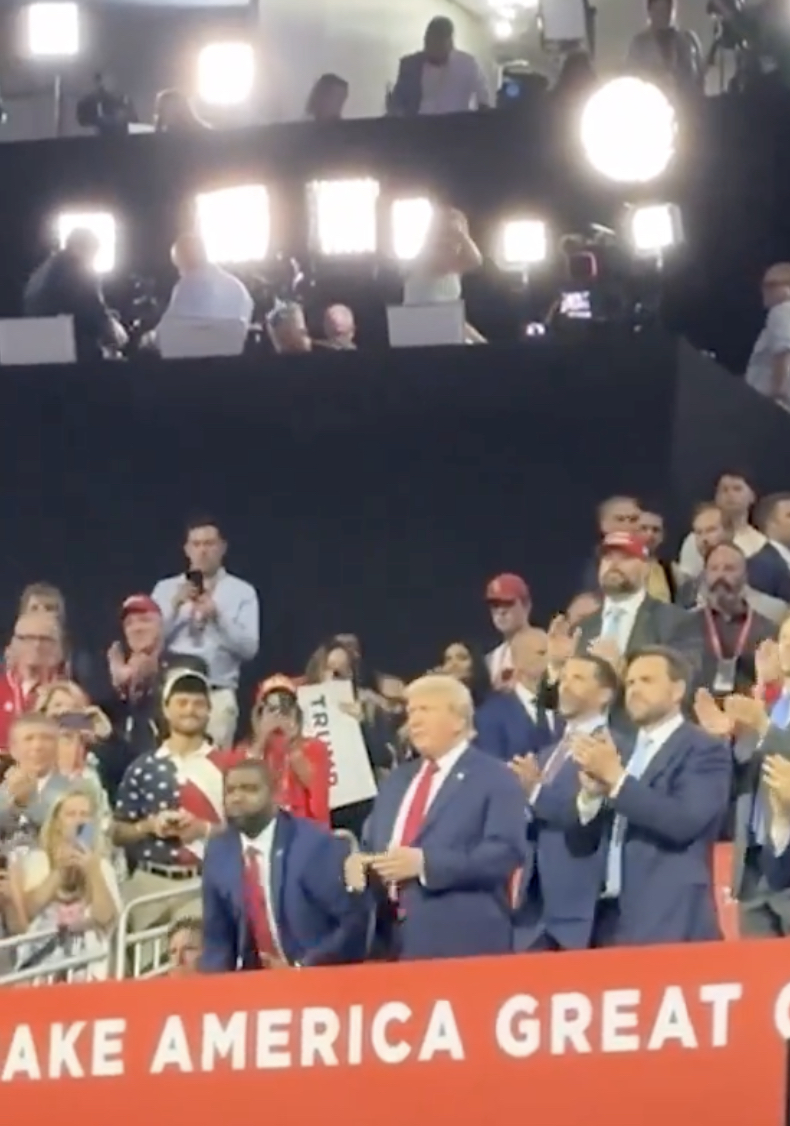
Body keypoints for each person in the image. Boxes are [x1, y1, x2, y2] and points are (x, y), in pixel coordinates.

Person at [347, 674, 526, 960]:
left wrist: (425, 864)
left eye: (424, 710)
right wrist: (361, 863)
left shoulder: (495, 777)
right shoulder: (396, 781)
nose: (413, 721)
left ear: (458, 720)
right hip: (392, 945)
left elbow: (504, 854)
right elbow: (373, 843)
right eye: (411, 712)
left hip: (462, 943)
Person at [565, 646, 732, 946]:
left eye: (647, 681)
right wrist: (590, 798)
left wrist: (617, 780)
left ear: (677, 689)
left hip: (671, 920)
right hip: (609, 923)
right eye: (629, 683)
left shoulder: (703, 749)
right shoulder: (622, 752)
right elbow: (581, 845)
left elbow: (684, 821)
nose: (635, 690)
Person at [200, 758, 369, 971]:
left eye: (250, 789)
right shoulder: (219, 851)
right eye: (230, 791)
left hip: (320, 974)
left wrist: (302, 968)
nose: (237, 798)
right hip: (259, 981)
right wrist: (214, 995)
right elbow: (217, 937)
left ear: (276, 795)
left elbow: (353, 922)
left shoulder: (312, 844)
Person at [510, 654, 619, 952]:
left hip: (585, 912)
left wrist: (535, 792)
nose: (565, 686)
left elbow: (585, 814)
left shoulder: (614, 748)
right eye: (564, 678)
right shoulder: (545, 755)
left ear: (605, 694)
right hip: (535, 913)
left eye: (578, 678)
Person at [112, 670, 228, 937]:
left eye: (199, 704)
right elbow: (117, 832)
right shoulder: (142, 767)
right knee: (144, 970)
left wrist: (204, 830)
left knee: (193, 967)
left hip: (203, 882)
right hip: (149, 884)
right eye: (182, 702)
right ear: (166, 709)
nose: (190, 710)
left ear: (210, 711)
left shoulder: (228, 766)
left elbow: (247, 831)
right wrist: (148, 826)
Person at [151, 516, 259, 749]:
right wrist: (174, 606)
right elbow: (149, 644)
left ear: (222, 548)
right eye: (197, 544)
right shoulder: (165, 589)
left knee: (214, 771)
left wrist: (218, 617)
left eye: (209, 544)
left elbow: (249, 649)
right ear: (187, 549)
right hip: (172, 693)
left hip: (217, 693)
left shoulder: (241, 591)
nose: (203, 551)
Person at [694, 676, 790, 936]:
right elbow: (739, 778)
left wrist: (763, 726)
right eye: (783, 637)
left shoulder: (761, 717)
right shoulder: (764, 710)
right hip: (753, 864)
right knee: (759, 971)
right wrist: (720, 741)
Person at [9, 785, 120, 981]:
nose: (78, 820)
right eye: (71, 814)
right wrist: (59, 873)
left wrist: (93, 871)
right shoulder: (37, 861)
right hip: (39, 966)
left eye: (84, 814)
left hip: (88, 970)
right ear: (57, 822)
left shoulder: (102, 867)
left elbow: (106, 918)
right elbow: (27, 911)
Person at [229, 675, 331, 826]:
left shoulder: (314, 747)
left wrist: (293, 747)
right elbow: (242, 787)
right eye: (272, 709)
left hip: (301, 828)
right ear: (259, 713)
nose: (278, 716)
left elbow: (317, 791)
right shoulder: (245, 749)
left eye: (285, 709)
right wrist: (261, 739)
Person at [23, 228, 127, 360]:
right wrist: (113, 329)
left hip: (42, 349)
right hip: (72, 348)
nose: (92, 260)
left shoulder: (42, 271)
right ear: (80, 248)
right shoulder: (76, 267)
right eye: (92, 253)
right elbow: (92, 309)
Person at [402, 206, 485, 342]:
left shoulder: (454, 270)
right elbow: (475, 260)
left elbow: (454, 319)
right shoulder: (428, 260)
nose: (451, 242)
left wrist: (481, 342)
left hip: (442, 328)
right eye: (447, 234)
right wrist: (460, 235)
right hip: (420, 331)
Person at [389, 17, 491, 116]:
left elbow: (482, 97)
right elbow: (397, 102)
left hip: (455, 127)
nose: (432, 47)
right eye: (429, 43)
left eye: (439, 43)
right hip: (418, 127)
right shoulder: (411, 65)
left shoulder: (467, 64)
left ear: (450, 43)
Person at [154, 233, 254, 334]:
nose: (180, 273)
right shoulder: (238, 286)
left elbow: (168, 330)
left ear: (183, 260)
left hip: (199, 346)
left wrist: (149, 338)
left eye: (178, 265)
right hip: (236, 347)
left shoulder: (187, 287)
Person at [0, 611, 65, 753]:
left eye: (45, 639)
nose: (36, 645)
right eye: (28, 638)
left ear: (59, 649)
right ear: (13, 644)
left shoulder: (68, 697)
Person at [625, 0, 704, 96]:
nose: (663, 17)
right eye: (659, 11)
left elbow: (697, 79)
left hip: (684, 102)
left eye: (666, 11)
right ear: (650, 12)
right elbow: (632, 77)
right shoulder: (640, 44)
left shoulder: (687, 41)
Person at [745, 262, 790, 411]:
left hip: (772, 406)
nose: (765, 290)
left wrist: (776, 394)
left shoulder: (781, 311)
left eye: (771, 285)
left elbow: (782, 352)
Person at [484, 572, 531, 685]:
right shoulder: (489, 660)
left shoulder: (546, 650)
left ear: (526, 606)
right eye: (495, 605)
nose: (501, 611)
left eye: (508, 603)